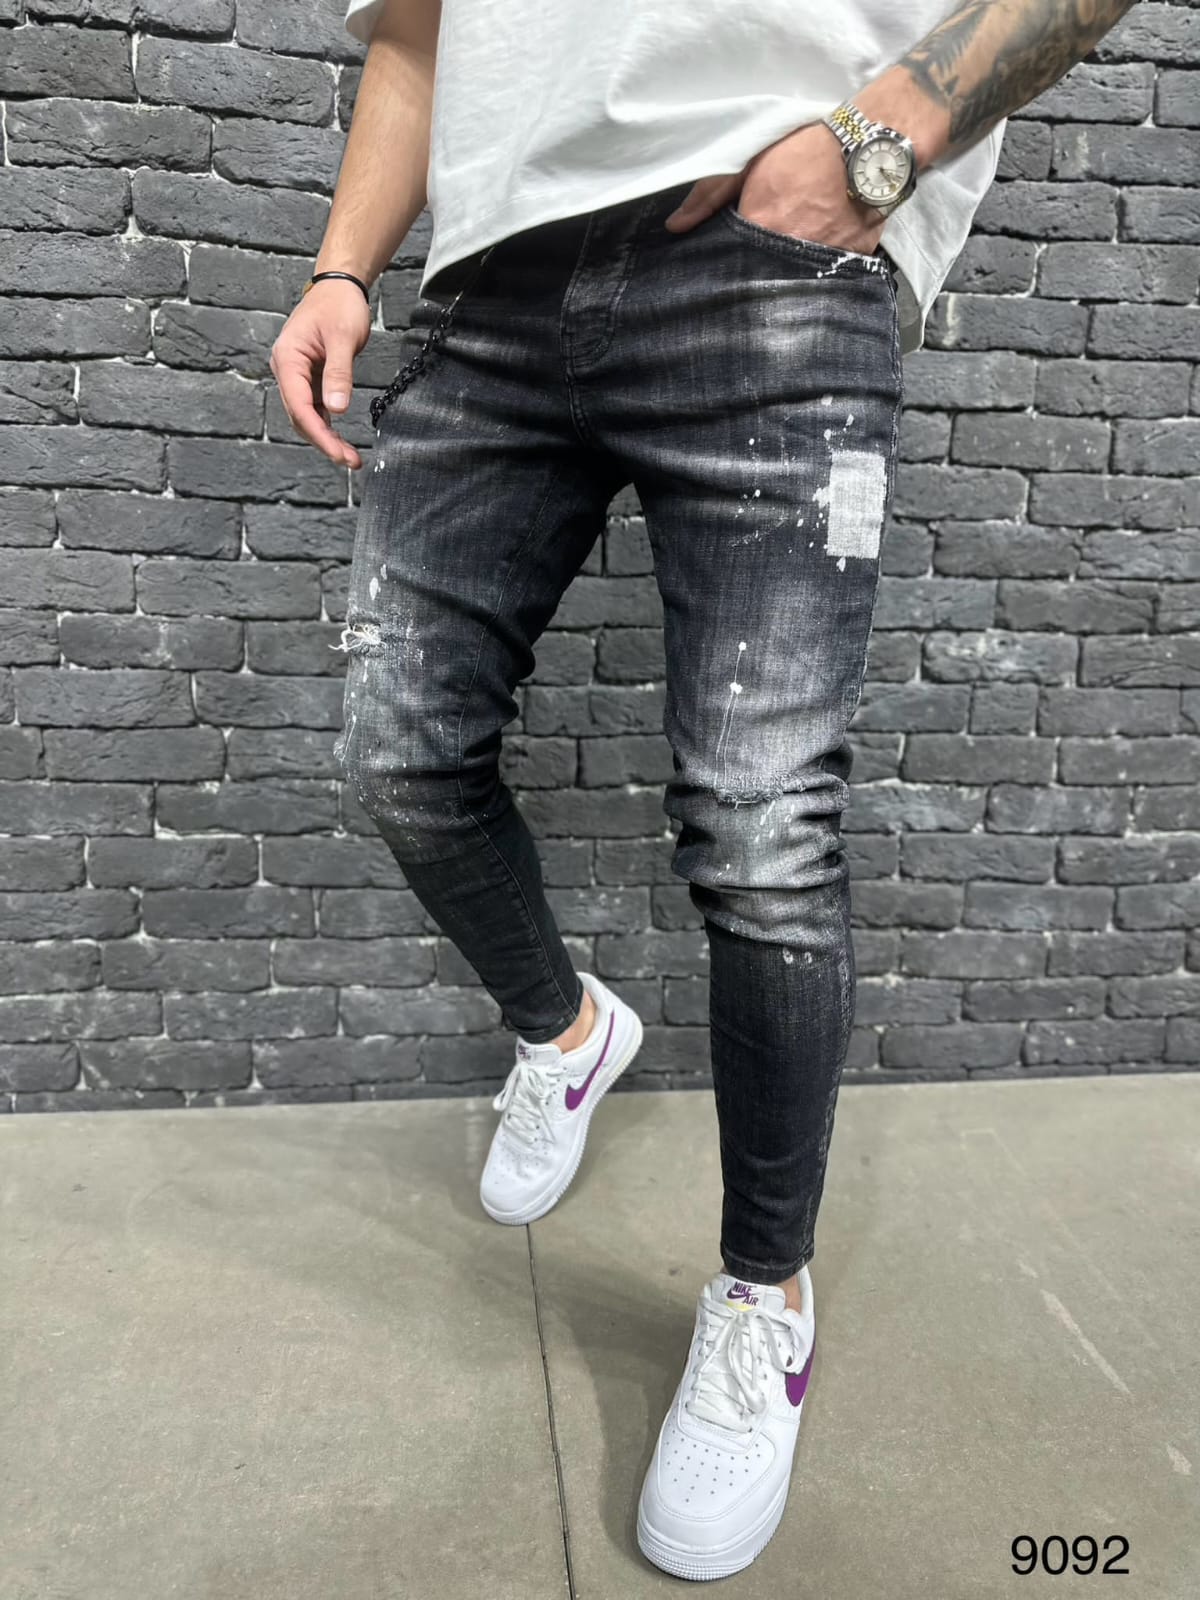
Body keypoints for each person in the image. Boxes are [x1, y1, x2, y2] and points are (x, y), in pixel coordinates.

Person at [271, 0, 1140, 1579]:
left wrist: (876, 146)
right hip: (489, 288)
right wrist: (342, 267)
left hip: (777, 260)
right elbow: (414, 36)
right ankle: (566, 1032)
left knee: (761, 832)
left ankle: (763, 1296)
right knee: (397, 753)